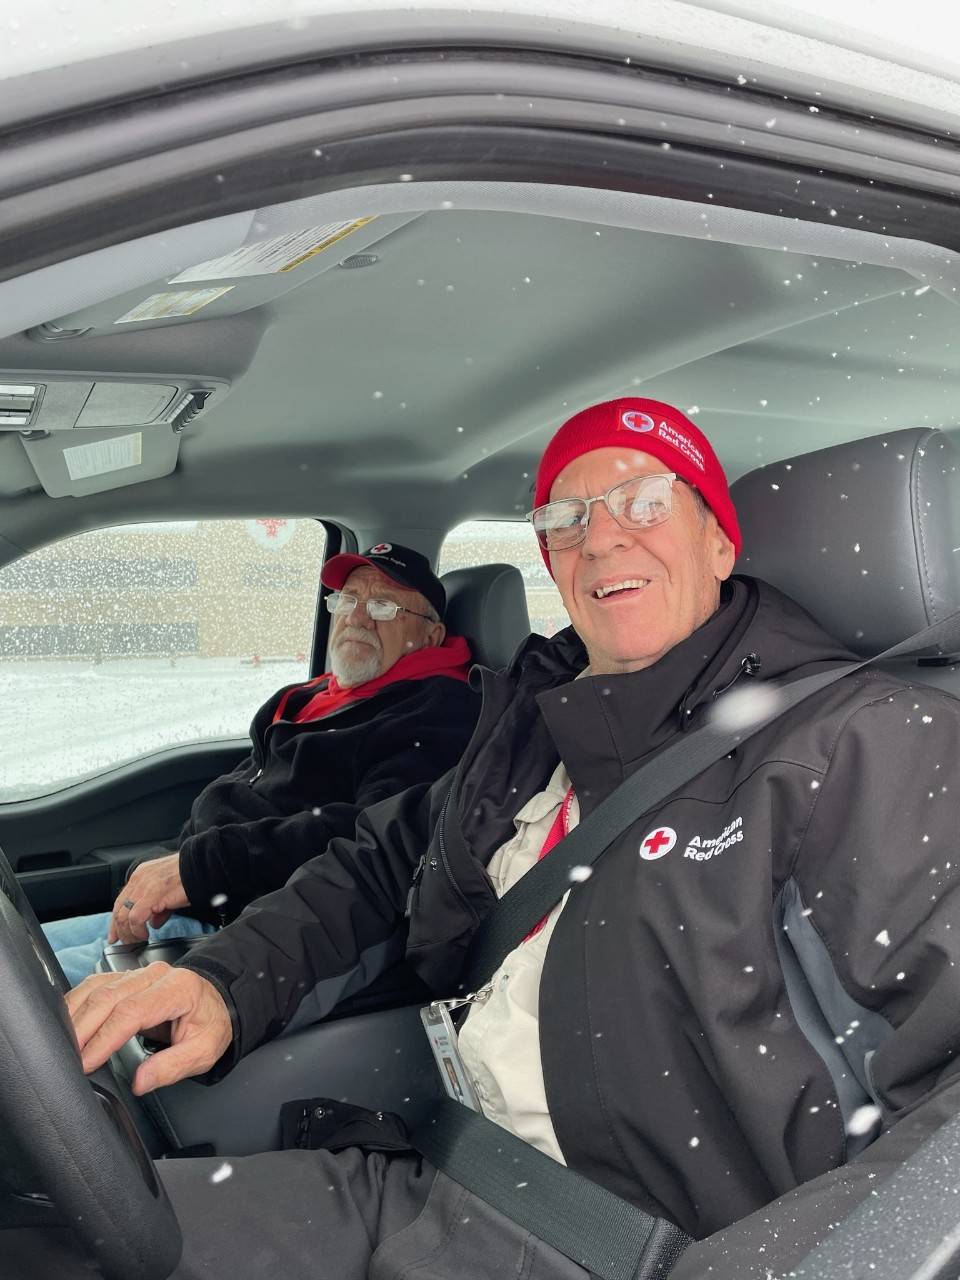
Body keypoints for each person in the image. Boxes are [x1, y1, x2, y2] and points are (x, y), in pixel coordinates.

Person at [58, 397, 960, 1280]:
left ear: (718, 540)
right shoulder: (534, 724)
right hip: (431, 1182)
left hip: (640, 1249)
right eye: (566, 519)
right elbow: (378, 868)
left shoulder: (869, 743)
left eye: (645, 500)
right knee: (60, 1236)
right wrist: (222, 981)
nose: (603, 537)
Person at [44, 543, 480, 986]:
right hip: (198, 901)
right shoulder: (311, 698)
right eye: (347, 599)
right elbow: (241, 788)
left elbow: (373, 837)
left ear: (430, 635)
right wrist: (170, 860)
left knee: (22, 999)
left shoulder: (437, 711)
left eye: (384, 605)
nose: (357, 616)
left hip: (243, 932)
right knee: (24, 949)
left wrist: (200, 867)